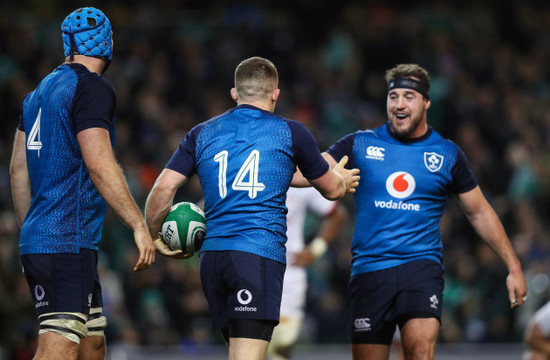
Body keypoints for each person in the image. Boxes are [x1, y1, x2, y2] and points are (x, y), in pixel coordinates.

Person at [294, 63, 527, 360]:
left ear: (426, 102)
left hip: (420, 268)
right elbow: (310, 172)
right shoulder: (360, 144)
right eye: (394, 97)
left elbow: (479, 212)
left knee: (418, 350)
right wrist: (270, 170)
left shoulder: (447, 154)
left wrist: (513, 266)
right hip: (370, 272)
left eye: (409, 96)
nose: (399, 104)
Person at [145, 56, 359, 360]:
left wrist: (154, 236)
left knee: (244, 353)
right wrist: (342, 179)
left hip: (212, 260)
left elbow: (163, 189)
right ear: (276, 93)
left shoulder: (202, 133)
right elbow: (332, 189)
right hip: (256, 256)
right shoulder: (291, 132)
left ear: (235, 93)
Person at [9, 7, 156, 360]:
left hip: (51, 239)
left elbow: (17, 170)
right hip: (65, 240)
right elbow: (100, 164)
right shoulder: (92, 88)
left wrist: (32, 231)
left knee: (92, 344)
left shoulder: (38, 92)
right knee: (58, 347)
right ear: (107, 42)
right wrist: (138, 224)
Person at [269, 187, 346, 360]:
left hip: (289, 272)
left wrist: (315, 250)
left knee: (282, 342)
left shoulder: (300, 179)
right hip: (250, 265)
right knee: (247, 337)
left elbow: (338, 214)